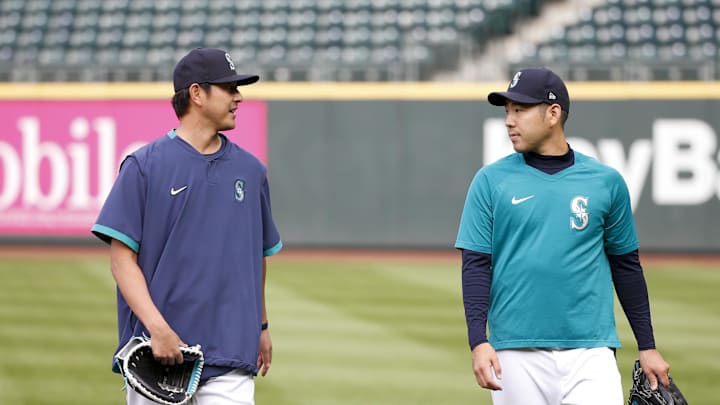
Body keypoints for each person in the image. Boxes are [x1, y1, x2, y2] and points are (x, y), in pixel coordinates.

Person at [454, 67, 670, 404]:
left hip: (592, 350)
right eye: (507, 111)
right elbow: (476, 265)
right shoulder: (490, 181)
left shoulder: (606, 182)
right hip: (514, 350)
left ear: (553, 113)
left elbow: (626, 266)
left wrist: (648, 346)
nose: (509, 121)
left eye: (520, 110)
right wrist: (478, 341)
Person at [91, 47, 282, 405]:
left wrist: (261, 327)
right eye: (229, 88)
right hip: (155, 355)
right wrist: (157, 329)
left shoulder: (251, 172)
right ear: (197, 93)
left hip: (229, 353)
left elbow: (256, 256)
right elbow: (121, 262)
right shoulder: (144, 166)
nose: (238, 96)